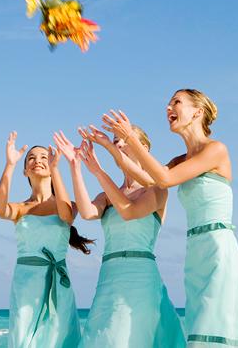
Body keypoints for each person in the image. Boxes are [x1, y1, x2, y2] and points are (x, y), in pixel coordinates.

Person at [102, 89, 238, 347]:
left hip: (219, 249)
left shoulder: (215, 149)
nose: (168, 108)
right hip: (196, 254)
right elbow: (151, 180)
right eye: (168, 103)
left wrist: (131, 137)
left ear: (197, 112)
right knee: (198, 330)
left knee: (214, 330)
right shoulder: (179, 160)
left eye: (176, 102)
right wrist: (111, 148)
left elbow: (165, 179)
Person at [54, 129, 185, 348]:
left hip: (140, 275)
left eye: (125, 140)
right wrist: (75, 166)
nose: (119, 145)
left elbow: (130, 211)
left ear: (144, 149)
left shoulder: (157, 190)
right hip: (108, 276)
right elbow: (87, 213)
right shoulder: (107, 195)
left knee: (128, 335)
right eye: (115, 142)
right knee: (101, 336)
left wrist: (98, 171)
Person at [0, 131, 91, 347]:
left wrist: (56, 169)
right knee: (23, 338)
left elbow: (66, 216)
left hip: (58, 280)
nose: (38, 160)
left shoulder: (67, 205)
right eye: (32, 158)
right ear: (26, 170)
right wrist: (9, 165)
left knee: (59, 337)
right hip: (26, 283)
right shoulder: (20, 208)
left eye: (44, 157)